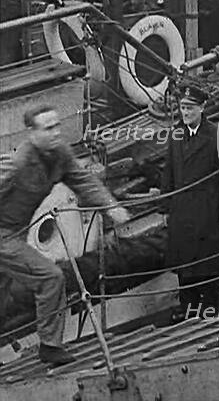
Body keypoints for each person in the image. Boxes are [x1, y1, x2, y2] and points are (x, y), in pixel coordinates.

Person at [0, 105, 130, 366]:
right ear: (32, 133)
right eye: (48, 128)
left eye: (57, 126)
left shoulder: (59, 154)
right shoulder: (17, 164)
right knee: (51, 278)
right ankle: (49, 346)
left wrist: (110, 206)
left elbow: (82, 180)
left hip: (16, 232)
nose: (56, 133)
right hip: (3, 236)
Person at [159, 84, 219, 322]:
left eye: (190, 108)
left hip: (207, 208)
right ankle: (189, 308)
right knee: (185, 262)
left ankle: (210, 308)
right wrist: (165, 207)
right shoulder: (176, 135)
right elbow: (169, 172)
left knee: (208, 262)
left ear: (202, 108)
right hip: (182, 209)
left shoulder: (216, 135)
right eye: (183, 108)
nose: (186, 113)